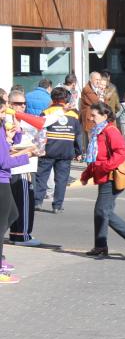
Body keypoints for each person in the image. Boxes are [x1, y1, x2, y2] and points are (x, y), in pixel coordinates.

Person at [80, 102, 125, 257]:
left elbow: (121, 152)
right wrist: (87, 174)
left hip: (112, 177)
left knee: (102, 210)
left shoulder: (110, 131)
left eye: (94, 115)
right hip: (104, 176)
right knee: (103, 211)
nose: (91, 118)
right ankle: (101, 246)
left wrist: (104, 167)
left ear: (105, 115)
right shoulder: (97, 131)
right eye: (90, 115)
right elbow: (97, 157)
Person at [1, 96, 37, 283]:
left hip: (4, 177)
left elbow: (10, 146)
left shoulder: (3, 126)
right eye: (6, 107)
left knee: (13, 215)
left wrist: (16, 130)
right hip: (2, 178)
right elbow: (5, 160)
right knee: (4, 222)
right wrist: (27, 155)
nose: (8, 111)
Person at [34, 87, 82, 213]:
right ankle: (57, 205)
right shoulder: (74, 113)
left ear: (52, 99)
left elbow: (40, 132)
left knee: (42, 176)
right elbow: (78, 135)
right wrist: (78, 152)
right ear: (66, 98)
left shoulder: (46, 112)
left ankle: (37, 201)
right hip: (66, 150)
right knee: (61, 179)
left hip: (48, 149)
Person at [7, 90, 43, 246]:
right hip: (18, 167)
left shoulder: (28, 120)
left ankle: (18, 234)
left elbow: (39, 139)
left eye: (24, 104)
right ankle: (22, 235)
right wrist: (28, 151)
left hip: (27, 165)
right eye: (17, 104)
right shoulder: (7, 121)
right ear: (9, 104)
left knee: (24, 202)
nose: (22, 107)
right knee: (23, 203)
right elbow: (8, 147)